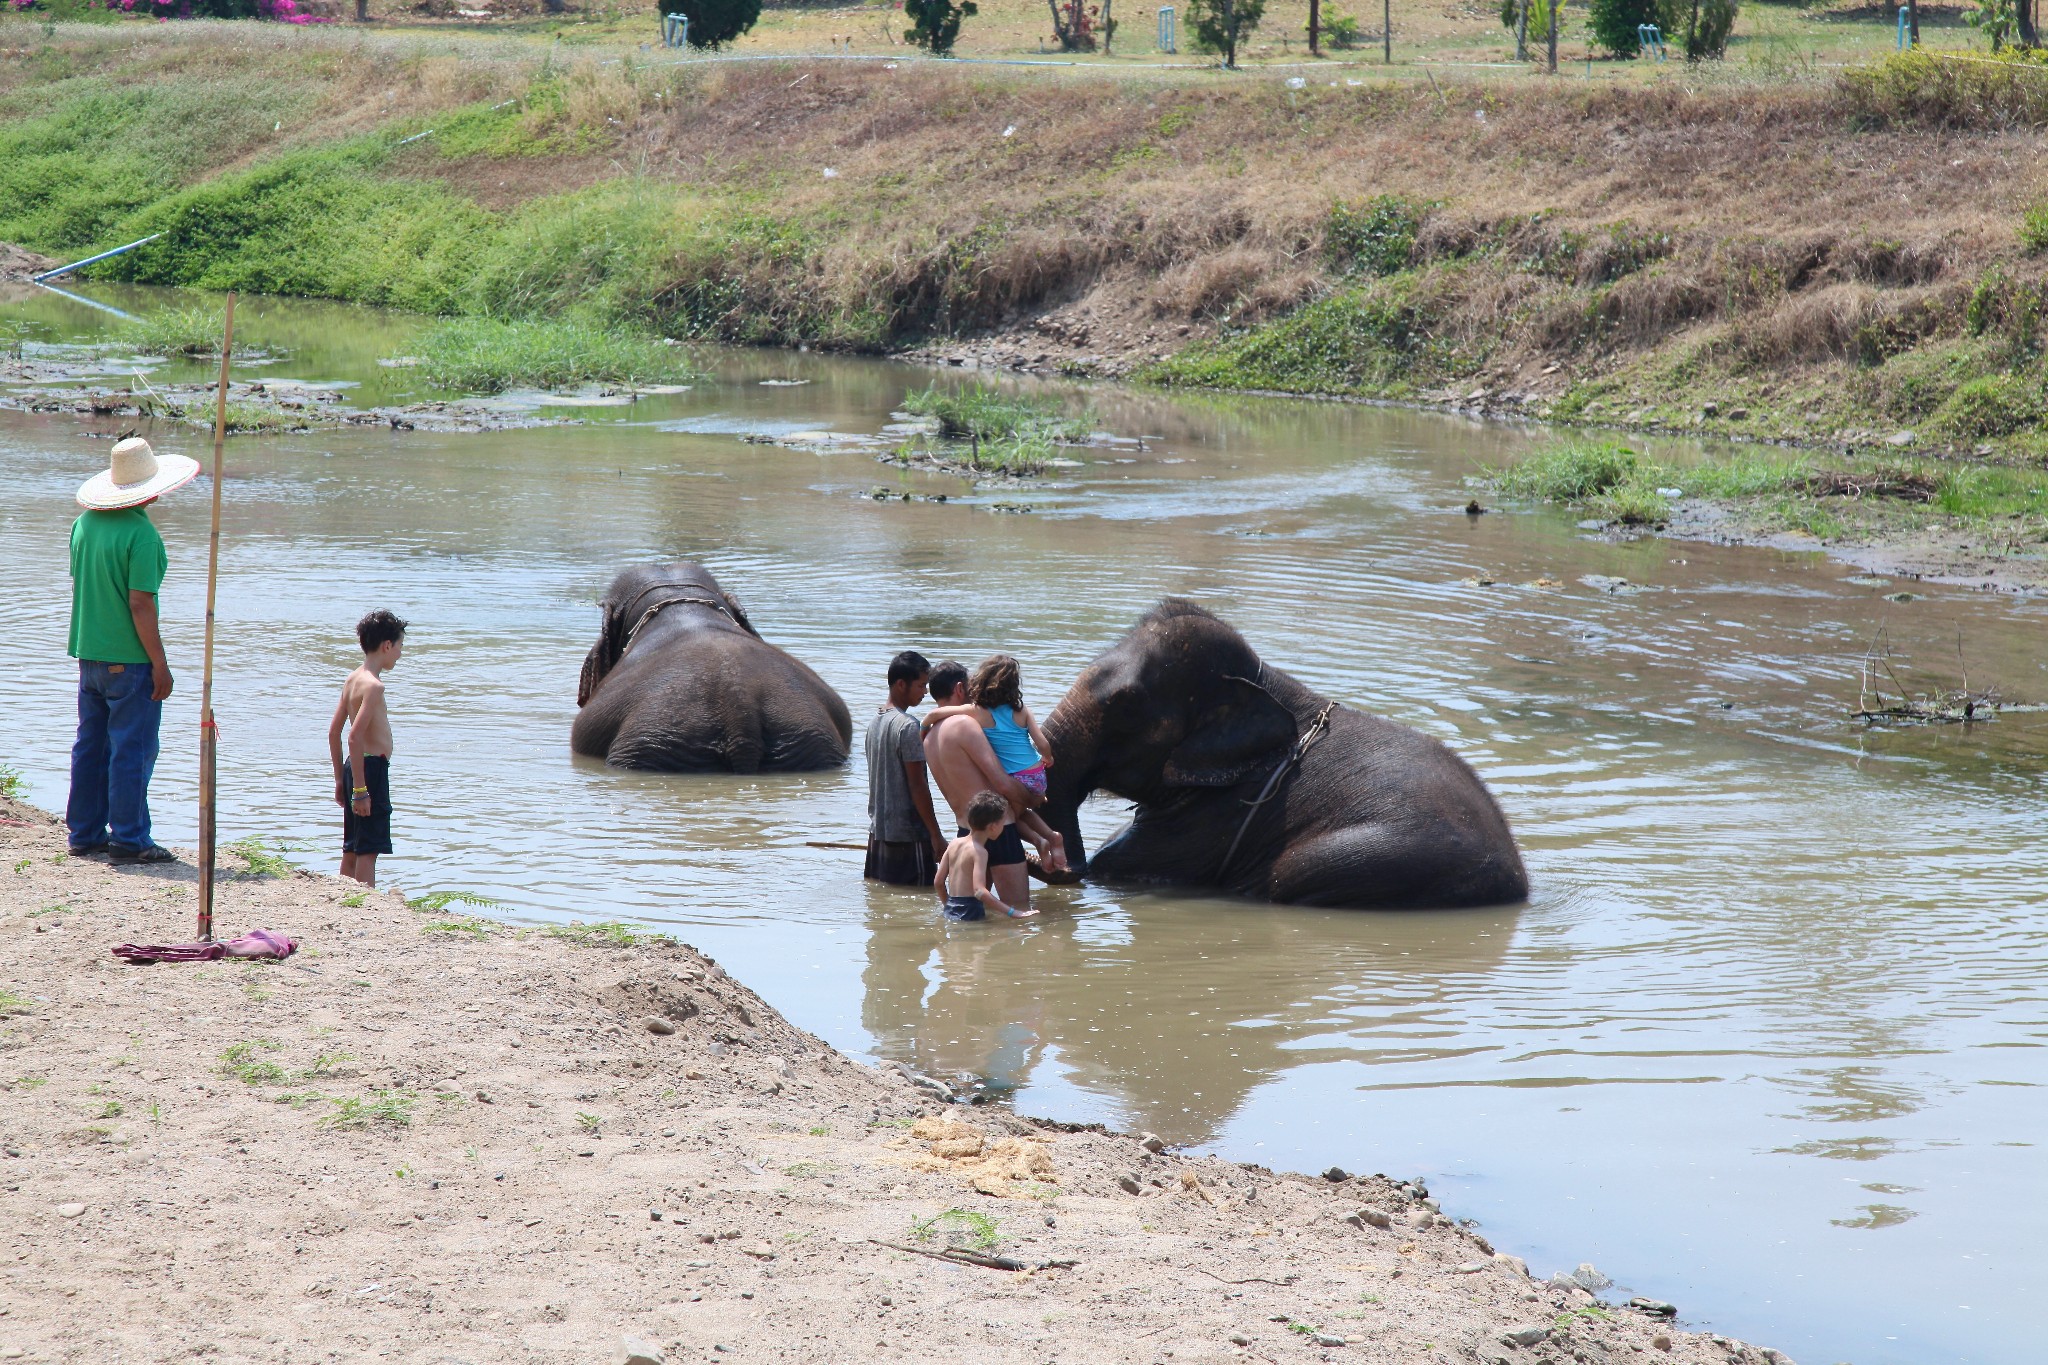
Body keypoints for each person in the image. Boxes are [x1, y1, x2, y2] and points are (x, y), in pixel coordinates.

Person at [65, 437, 199, 863]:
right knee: (132, 749)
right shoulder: (143, 536)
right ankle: (130, 838)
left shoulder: (83, 525)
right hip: (131, 660)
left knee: (92, 744)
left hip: (90, 654)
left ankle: (85, 832)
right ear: (153, 490)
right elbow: (140, 603)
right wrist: (161, 665)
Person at [921, 653, 1067, 873]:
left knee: (974, 899)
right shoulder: (1022, 711)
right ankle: (1046, 838)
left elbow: (934, 714)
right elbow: (1042, 743)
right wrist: (1047, 760)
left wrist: (923, 728)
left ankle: (1041, 841)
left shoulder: (970, 718)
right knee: (1015, 813)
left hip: (970, 825)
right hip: (1035, 775)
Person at [923, 659, 1041, 918]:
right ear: (959, 689)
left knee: (967, 912)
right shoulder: (965, 725)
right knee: (1019, 914)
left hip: (966, 831)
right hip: (999, 828)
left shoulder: (929, 737)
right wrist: (1034, 799)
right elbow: (1001, 782)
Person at [328, 610, 407, 887]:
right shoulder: (374, 686)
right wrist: (360, 790)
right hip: (370, 771)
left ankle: (343, 897)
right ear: (387, 645)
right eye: (399, 647)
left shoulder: (352, 679)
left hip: (354, 769)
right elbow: (353, 736)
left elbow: (333, 732)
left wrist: (341, 780)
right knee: (368, 849)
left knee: (351, 846)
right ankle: (364, 902)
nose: (399, 654)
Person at [863, 650, 948, 886]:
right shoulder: (908, 727)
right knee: (921, 898)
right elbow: (917, 785)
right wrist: (935, 835)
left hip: (879, 831)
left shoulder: (875, 722)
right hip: (908, 835)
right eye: (921, 685)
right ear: (901, 684)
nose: (925, 692)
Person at [935, 790, 1034, 921]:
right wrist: (1013, 912)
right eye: (1003, 823)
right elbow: (980, 891)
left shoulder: (954, 843)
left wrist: (948, 906)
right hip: (970, 912)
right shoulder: (979, 852)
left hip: (950, 910)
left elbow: (938, 882)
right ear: (993, 827)